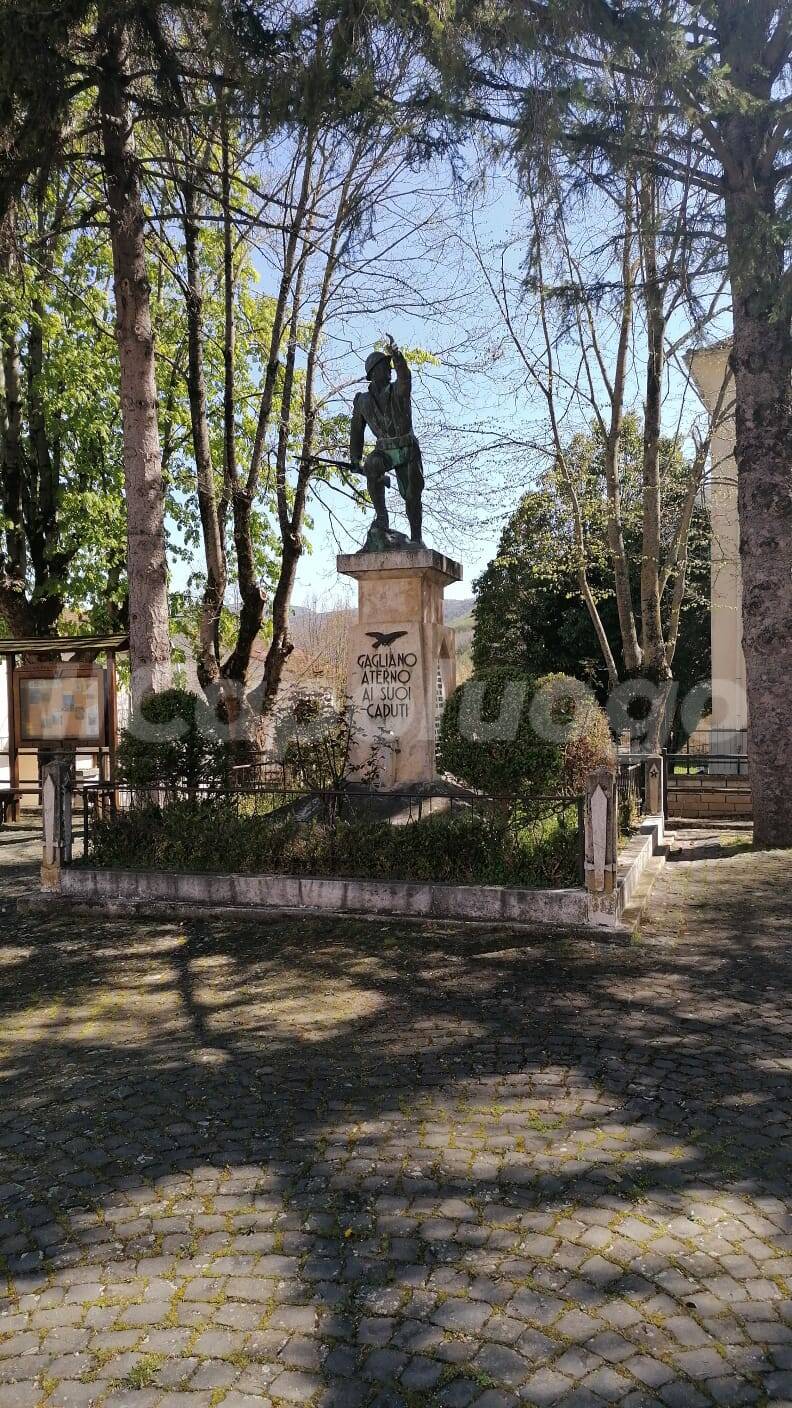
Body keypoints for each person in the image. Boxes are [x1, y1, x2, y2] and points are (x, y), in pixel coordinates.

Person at [350, 334, 424, 545]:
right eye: (386, 366)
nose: (390, 369)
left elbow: (405, 377)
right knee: (372, 464)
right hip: (385, 451)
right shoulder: (362, 401)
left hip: (407, 449)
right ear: (374, 373)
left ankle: (416, 537)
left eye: (391, 366)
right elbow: (357, 430)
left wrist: (397, 355)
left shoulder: (398, 390)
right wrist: (355, 459)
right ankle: (382, 519)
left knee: (411, 496)